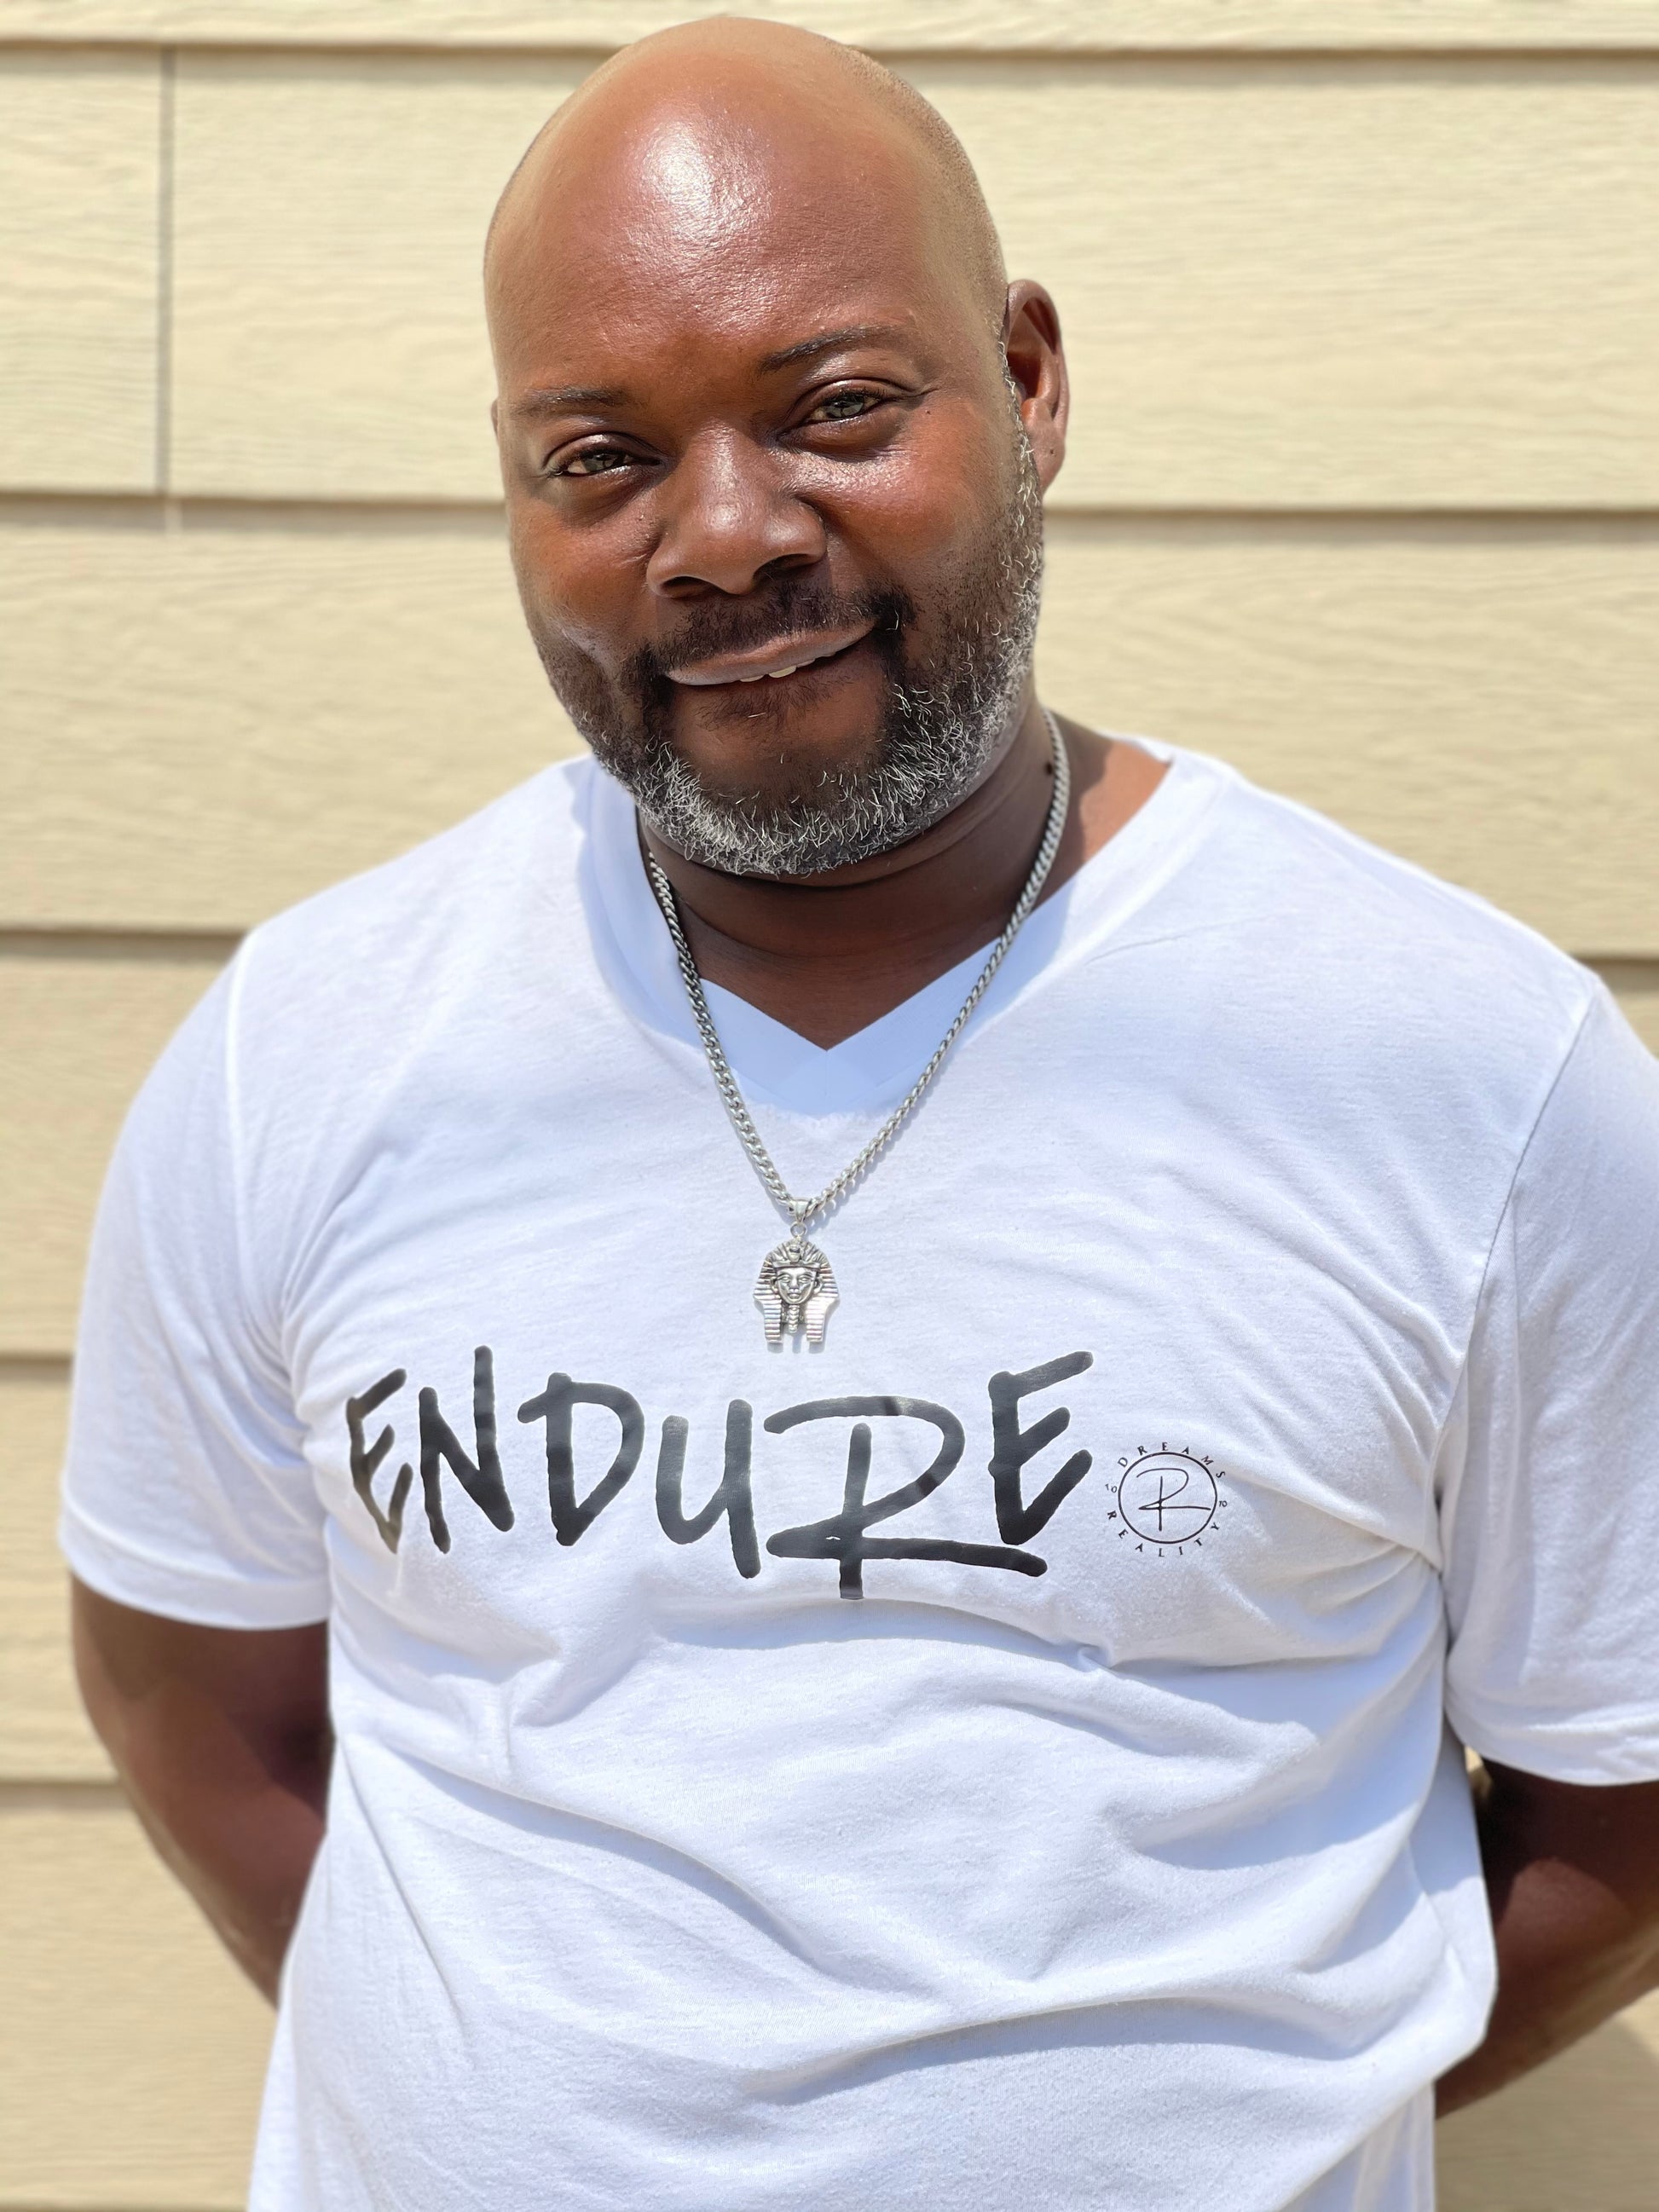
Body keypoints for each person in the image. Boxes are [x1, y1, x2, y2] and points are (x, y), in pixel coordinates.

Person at [63, 20, 1659, 2212]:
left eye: (833, 408)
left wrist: (1237, 2113)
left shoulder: (1466, 1073)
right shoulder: (304, 1051)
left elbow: (1619, 1810)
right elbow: (196, 1701)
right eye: (601, 455)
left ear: (1028, 383)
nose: (722, 537)